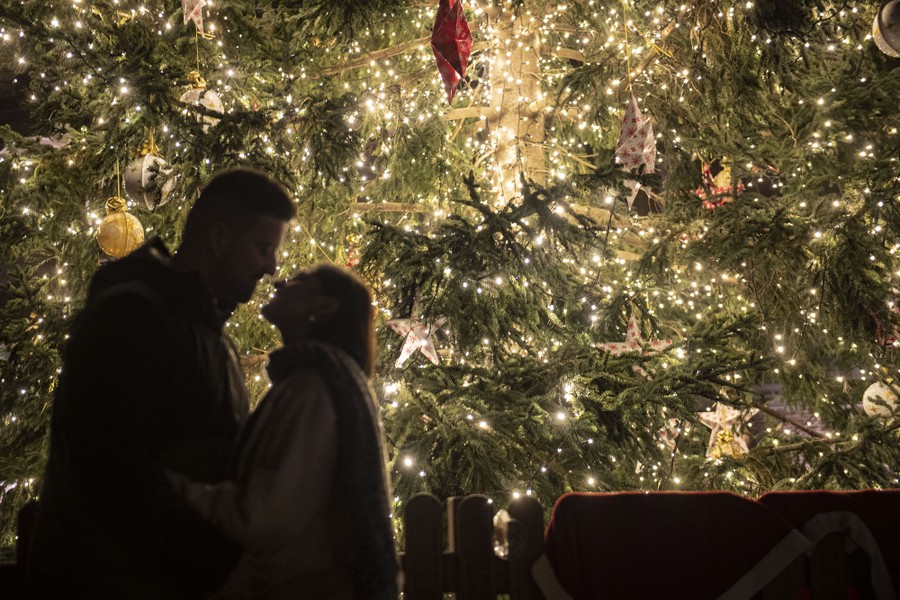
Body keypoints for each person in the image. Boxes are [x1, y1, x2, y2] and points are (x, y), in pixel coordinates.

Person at [24, 167, 296, 599]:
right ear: (220, 238)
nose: (271, 267)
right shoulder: (135, 317)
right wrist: (214, 570)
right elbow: (110, 471)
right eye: (263, 248)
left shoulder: (200, 326)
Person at [168, 264, 399, 600]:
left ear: (323, 308)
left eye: (300, 281)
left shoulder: (312, 389)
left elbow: (269, 514)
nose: (280, 280)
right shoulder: (309, 382)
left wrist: (178, 490)